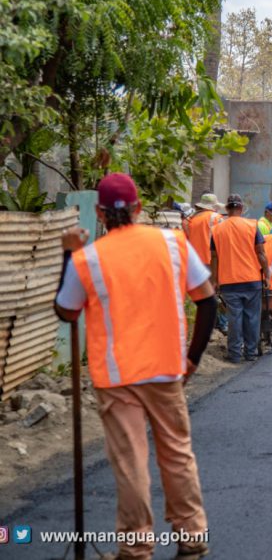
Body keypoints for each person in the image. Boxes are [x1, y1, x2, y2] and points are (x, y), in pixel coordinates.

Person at [54, 173, 216, 560]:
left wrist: (68, 254)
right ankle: (191, 537)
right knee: (176, 453)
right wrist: (192, 358)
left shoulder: (88, 259)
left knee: (130, 463)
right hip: (165, 370)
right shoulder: (173, 242)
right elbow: (207, 301)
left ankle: (136, 547)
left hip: (115, 376)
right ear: (139, 207)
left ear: (100, 213)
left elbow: (65, 311)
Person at [210, 194, 269, 362]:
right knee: (252, 317)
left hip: (229, 282)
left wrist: (215, 280)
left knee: (234, 319)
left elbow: (214, 258)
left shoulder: (217, 230)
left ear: (227, 209)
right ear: (241, 209)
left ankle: (235, 354)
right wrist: (267, 274)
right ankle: (250, 353)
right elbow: (261, 253)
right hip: (252, 280)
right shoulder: (252, 225)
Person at [187, 192, 228, 335]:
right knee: (217, 293)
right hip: (212, 261)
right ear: (214, 207)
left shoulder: (191, 219)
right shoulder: (217, 218)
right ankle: (221, 325)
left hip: (194, 263)